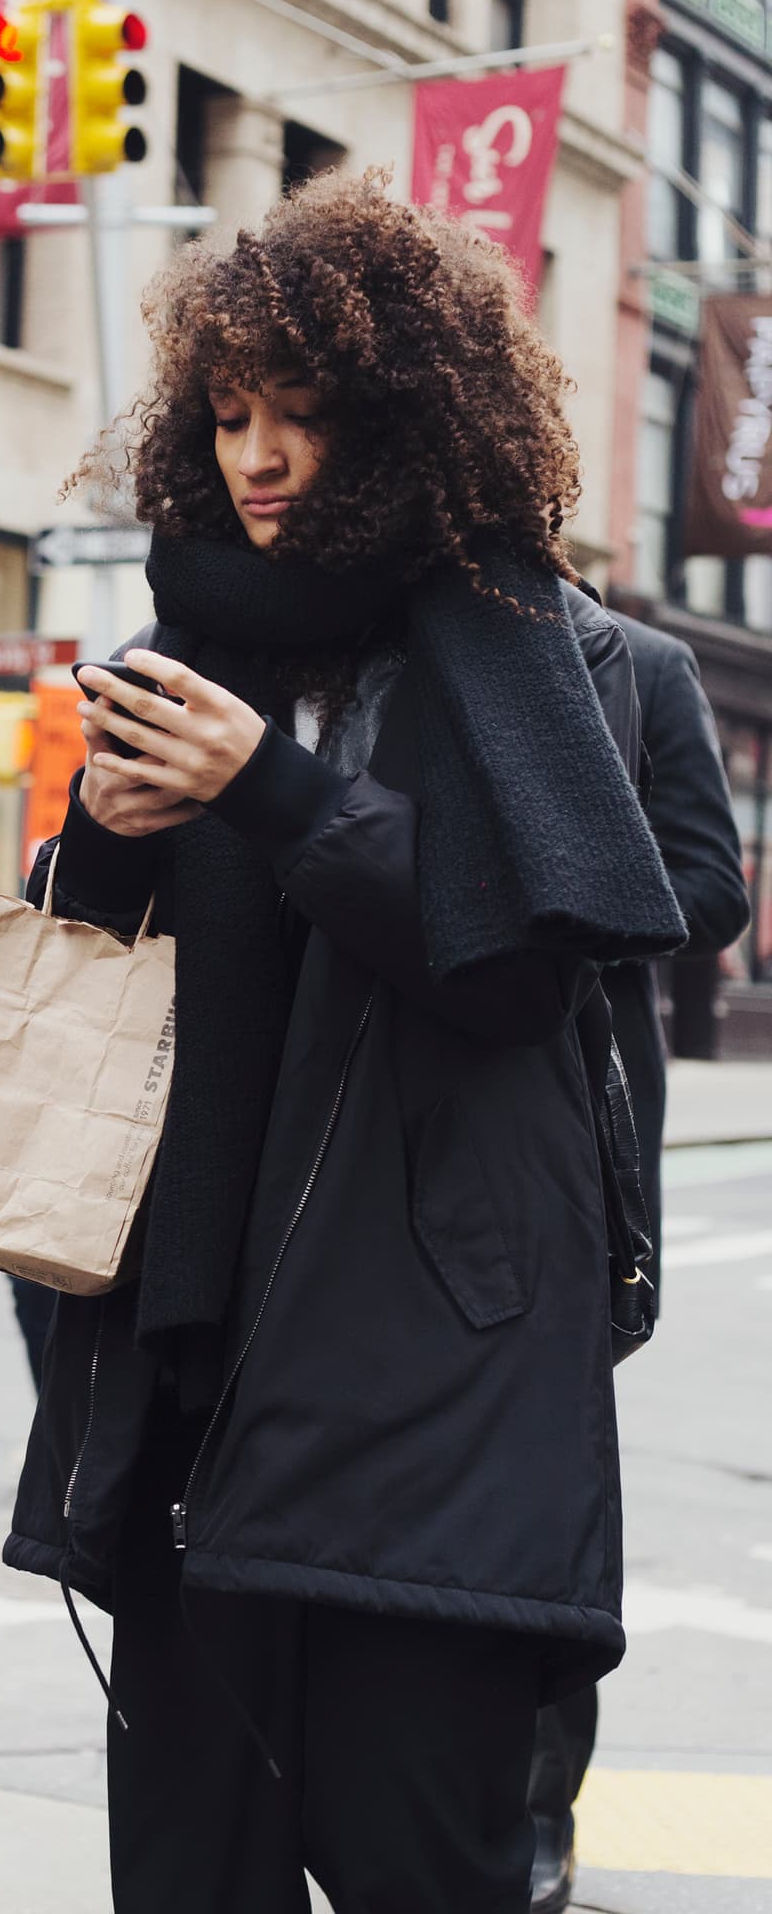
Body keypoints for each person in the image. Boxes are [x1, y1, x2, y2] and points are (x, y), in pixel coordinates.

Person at [3, 170, 686, 1913]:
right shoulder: (186, 646)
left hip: (422, 1399)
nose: (259, 456)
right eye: (230, 415)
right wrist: (113, 826)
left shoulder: (553, 665)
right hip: (185, 1382)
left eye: (304, 415)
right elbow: (103, 963)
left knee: (424, 1874)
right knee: (185, 1879)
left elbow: (521, 978)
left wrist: (279, 791)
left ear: (409, 422)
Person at [527, 611, 749, 1914]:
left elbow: (711, 889)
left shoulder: (641, 669)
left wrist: (536, 885)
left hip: (566, 1139)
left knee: (544, 1510)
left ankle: (534, 1808)